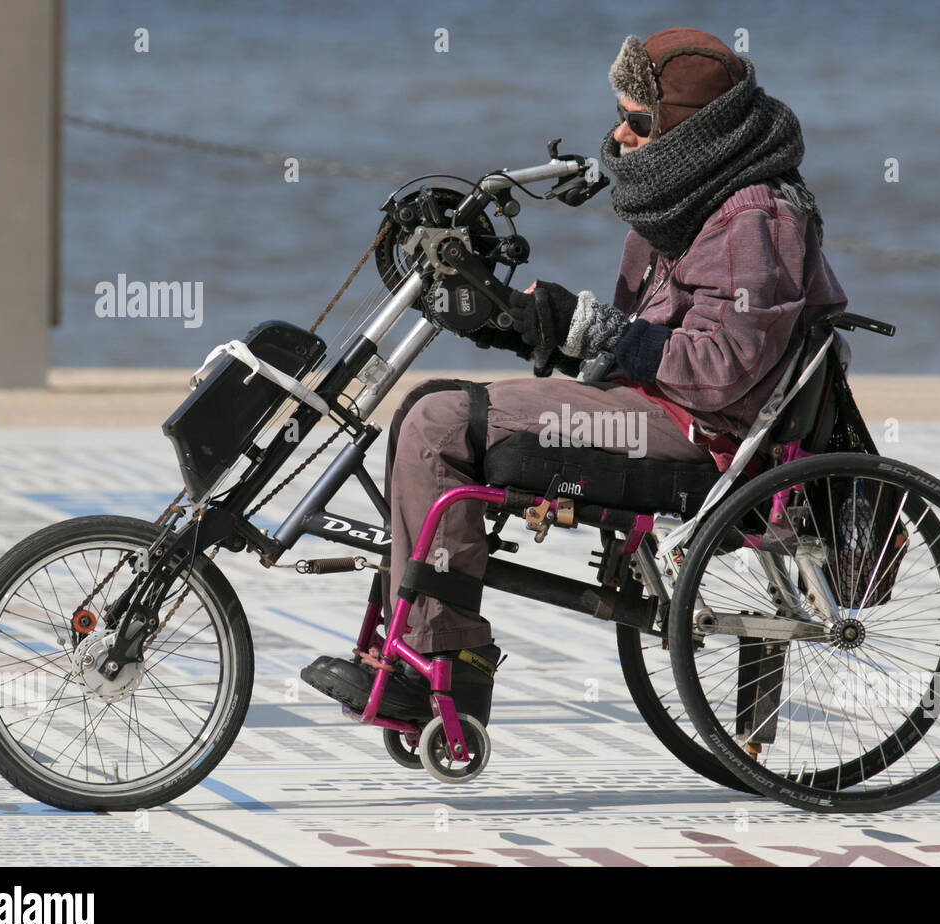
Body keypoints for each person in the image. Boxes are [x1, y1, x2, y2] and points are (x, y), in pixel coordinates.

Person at [302, 27, 848, 725]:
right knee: (428, 406)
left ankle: (448, 670)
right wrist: (515, 322)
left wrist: (591, 327)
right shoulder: (685, 200)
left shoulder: (753, 217)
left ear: (687, 126)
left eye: (639, 120)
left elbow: (720, 371)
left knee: (437, 424)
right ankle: (420, 651)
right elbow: (629, 346)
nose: (620, 133)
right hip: (651, 405)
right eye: (620, 114)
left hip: (701, 432)